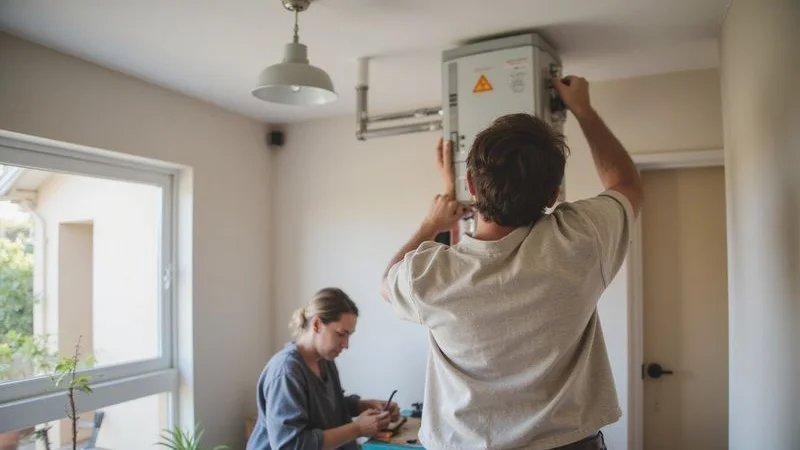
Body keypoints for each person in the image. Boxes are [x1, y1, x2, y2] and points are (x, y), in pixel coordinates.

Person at [380, 76, 643, 450]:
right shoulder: (582, 238)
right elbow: (626, 183)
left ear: (471, 183)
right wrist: (582, 109)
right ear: (554, 195)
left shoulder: (431, 275)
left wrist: (433, 221)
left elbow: (387, 281)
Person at [247, 287, 401, 450]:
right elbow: (291, 445)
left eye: (349, 335)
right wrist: (358, 428)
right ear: (317, 325)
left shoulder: (325, 360)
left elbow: (328, 407)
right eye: (341, 334)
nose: (346, 344)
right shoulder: (286, 372)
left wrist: (363, 405)